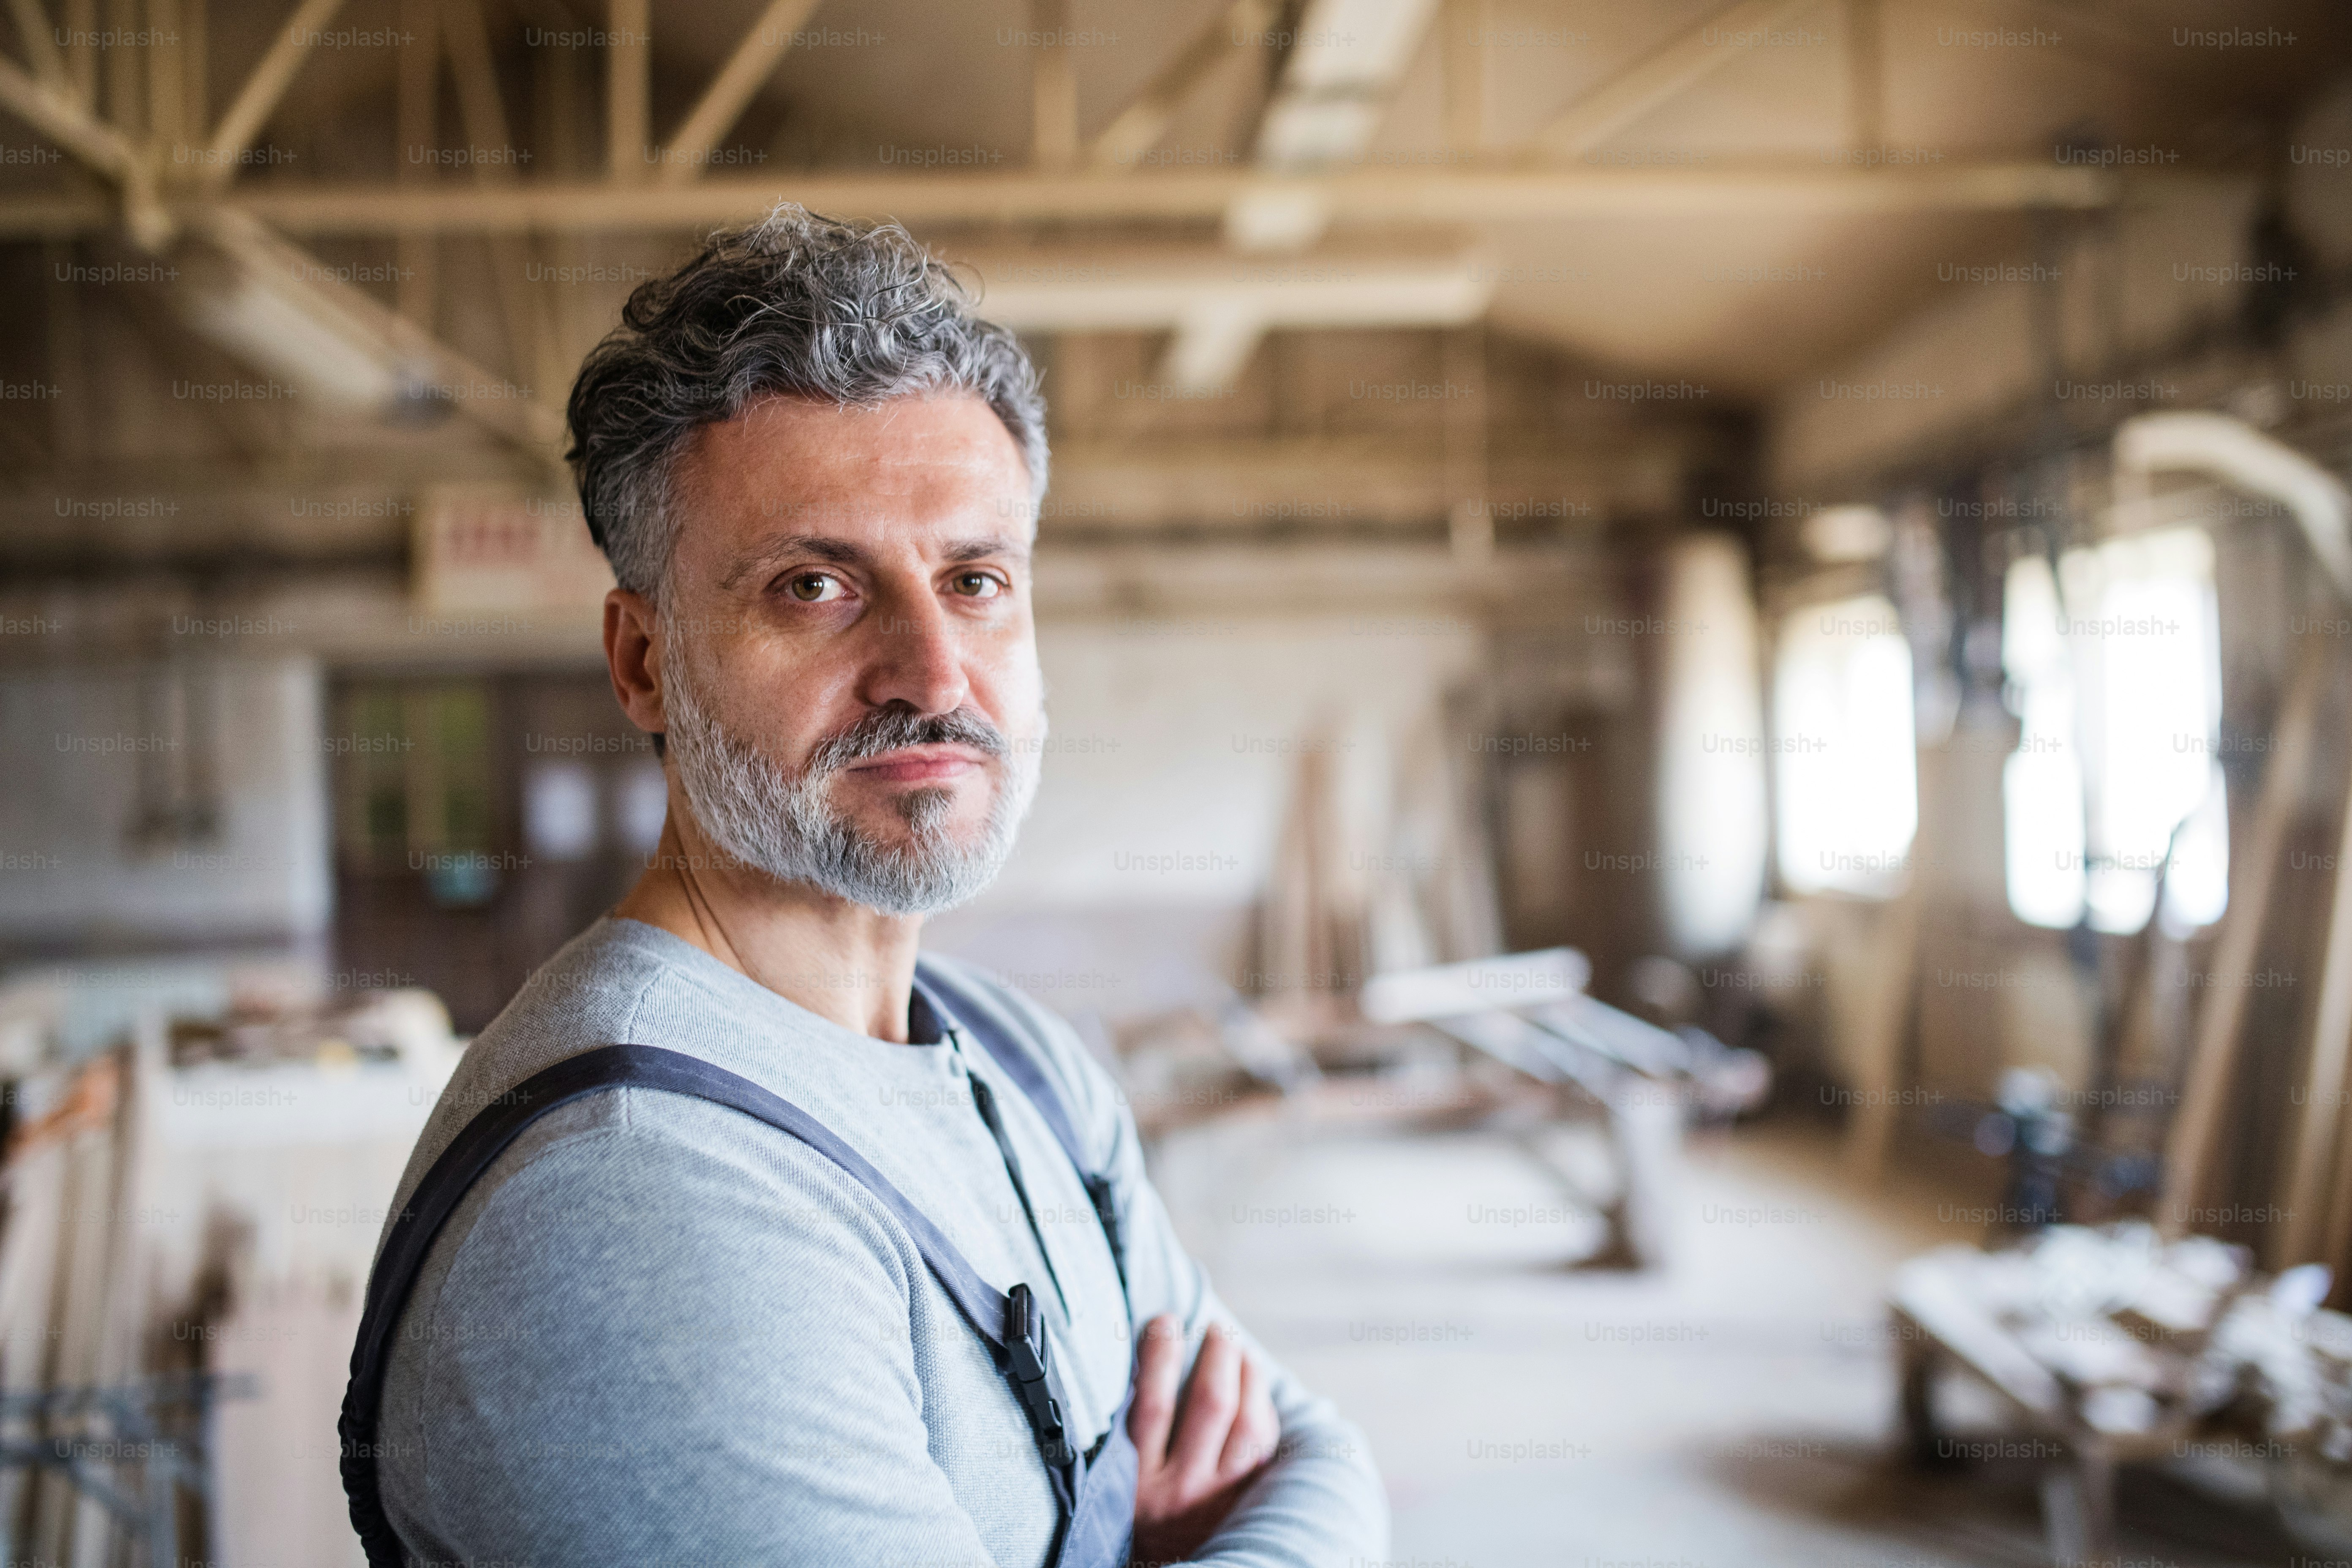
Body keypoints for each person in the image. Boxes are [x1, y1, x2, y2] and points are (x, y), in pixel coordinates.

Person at [347, 205, 1388, 1567]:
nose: (934, 674)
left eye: (974, 579)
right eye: (817, 586)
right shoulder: (635, 1202)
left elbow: (1322, 1457)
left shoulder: (1020, 1062)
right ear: (644, 660)